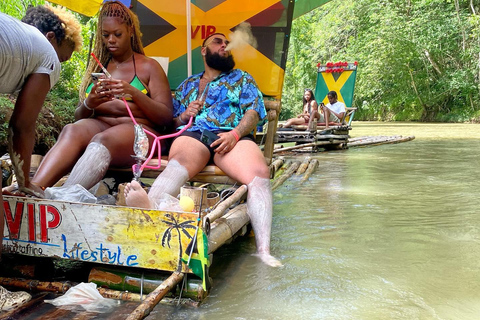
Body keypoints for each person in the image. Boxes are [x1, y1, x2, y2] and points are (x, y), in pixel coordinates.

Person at [124, 32, 282, 267]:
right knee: (178, 163)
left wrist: (235, 134)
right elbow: (171, 123)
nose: (224, 45)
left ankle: (264, 251)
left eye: (226, 43)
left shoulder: (242, 79)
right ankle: (148, 209)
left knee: (259, 174)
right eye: (217, 42)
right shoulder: (188, 84)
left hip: (232, 137)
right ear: (204, 50)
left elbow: (253, 113)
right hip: (193, 135)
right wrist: (184, 115)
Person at [29, 1, 173, 194]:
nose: (111, 40)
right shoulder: (99, 66)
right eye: (106, 35)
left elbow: (165, 117)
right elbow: (79, 116)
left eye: (117, 34)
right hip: (101, 124)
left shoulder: (149, 66)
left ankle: (64, 198)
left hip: (140, 132)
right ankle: (32, 189)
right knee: (72, 130)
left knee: (103, 140)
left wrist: (133, 92)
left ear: (130, 31)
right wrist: (90, 102)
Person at [0, 4, 82, 308]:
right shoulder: (45, 52)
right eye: (63, 59)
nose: (57, 68)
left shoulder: (14, 36)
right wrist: (24, 183)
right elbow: (21, 126)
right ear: (52, 39)